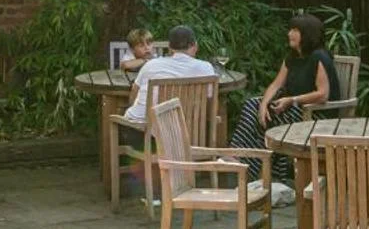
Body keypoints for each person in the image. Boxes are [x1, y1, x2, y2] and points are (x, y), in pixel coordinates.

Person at [228, 13, 340, 185]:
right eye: (290, 29)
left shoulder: (320, 57)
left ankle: (259, 169)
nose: (289, 34)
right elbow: (275, 85)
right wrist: (263, 105)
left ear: (308, 34)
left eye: (295, 30)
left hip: (316, 114)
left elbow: (323, 94)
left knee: (276, 118)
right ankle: (238, 156)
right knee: (252, 104)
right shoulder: (292, 57)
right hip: (294, 109)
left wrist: (291, 100)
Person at [123, 25, 219, 125]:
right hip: (183, 131)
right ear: (195, 46)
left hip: (141, 128)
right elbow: (211, 106)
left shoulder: (151, 65)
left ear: (169, 47)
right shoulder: (205, 68)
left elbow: (134, 92)